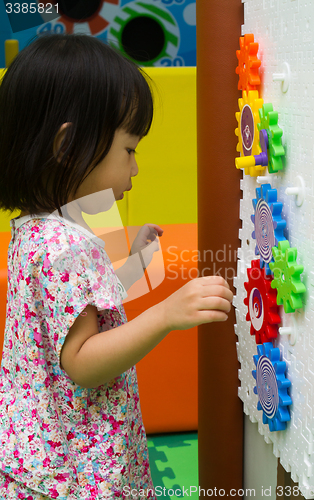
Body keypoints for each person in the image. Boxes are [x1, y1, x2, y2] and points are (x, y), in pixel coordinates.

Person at [0, 33, 234, 500]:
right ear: (68, 146)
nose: (135, 168)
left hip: (39, 455)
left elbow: (78, 312)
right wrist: (165, 315)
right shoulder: (67, 243)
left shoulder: (35, 231)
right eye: (129, 150)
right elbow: (82, 361)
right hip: (78, 472)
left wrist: (134, 265)